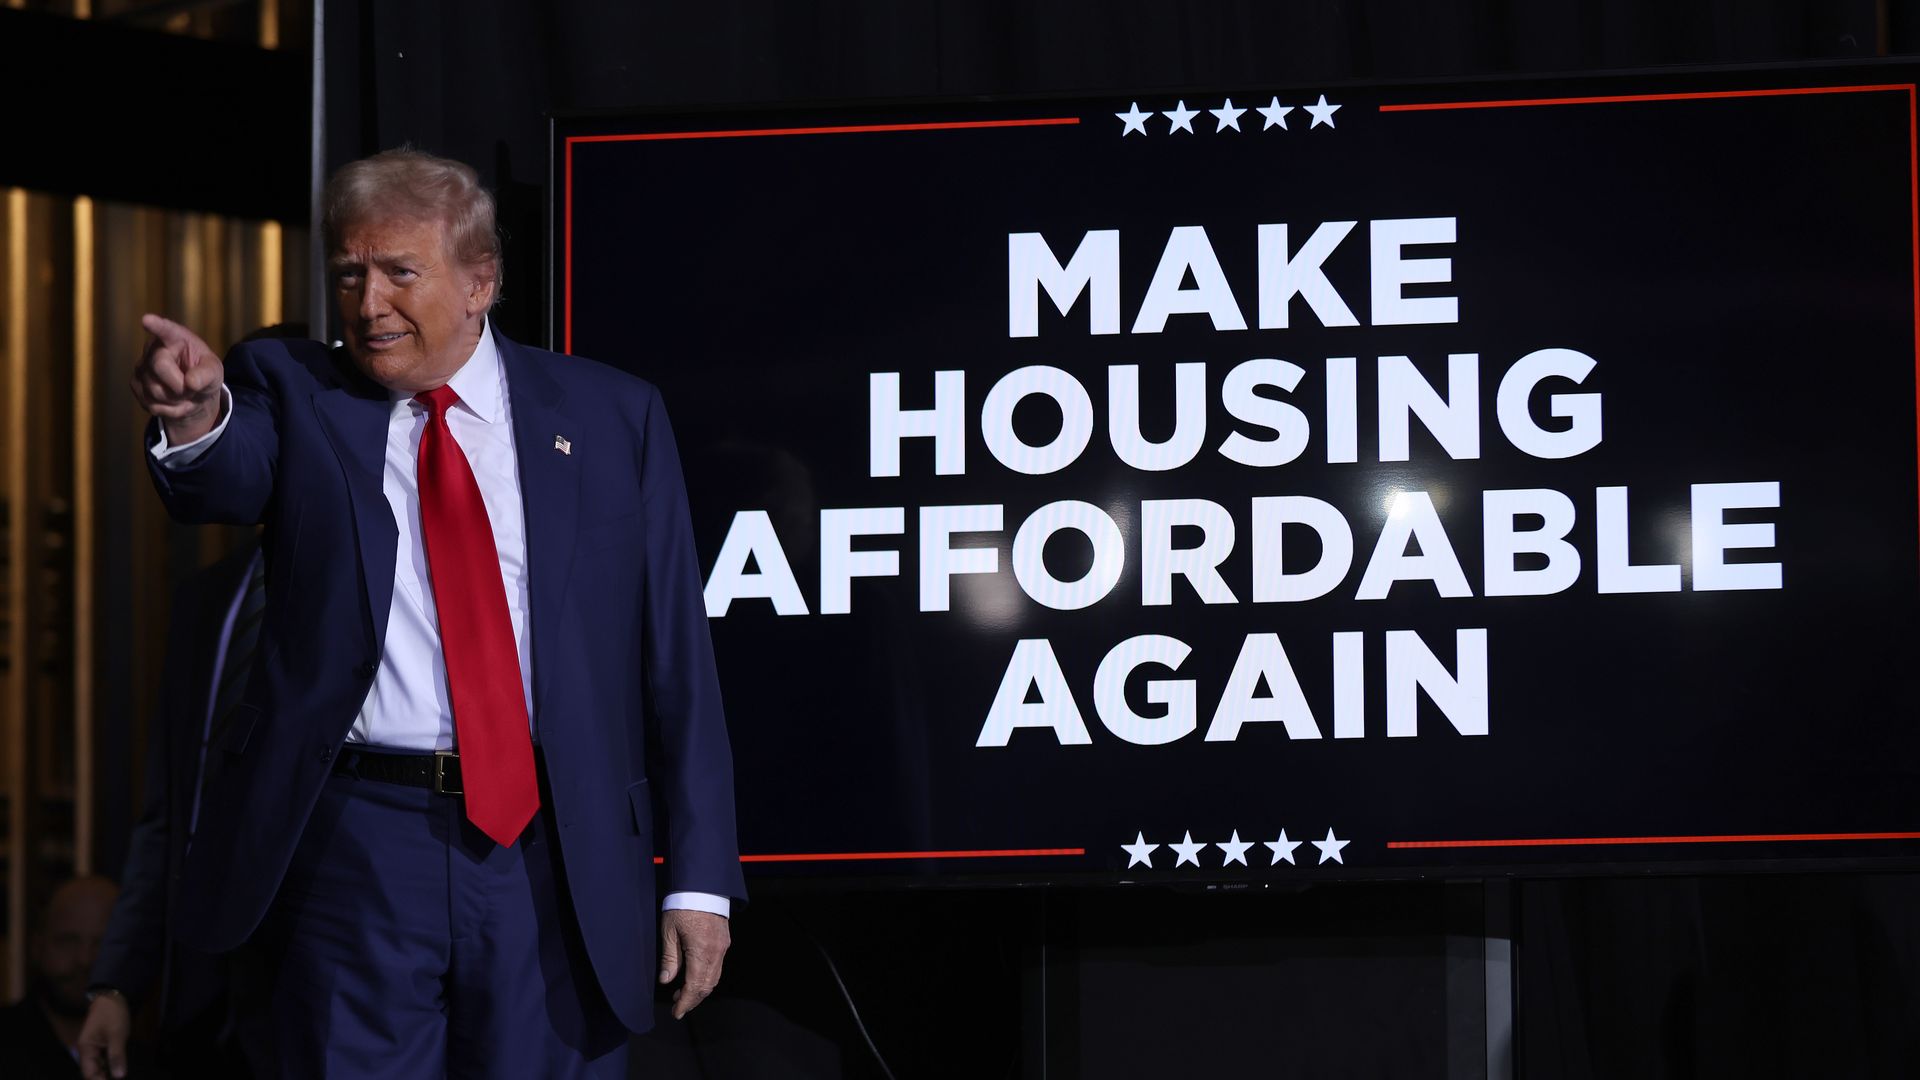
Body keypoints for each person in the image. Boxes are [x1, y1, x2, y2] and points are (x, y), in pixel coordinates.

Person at [123, 148, 746, 1078]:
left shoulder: (613, 416)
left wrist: (700, 881)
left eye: (399, 273)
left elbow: (677, 669)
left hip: (556, 850)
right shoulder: (297, 389)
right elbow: (228, 470)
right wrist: (195, 417)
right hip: (356, 846)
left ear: (480, 281)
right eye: (349, 274)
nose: (368, 303)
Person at [78, 541, 271, 1080]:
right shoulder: (208, 597)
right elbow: (167, 817)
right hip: (196, 988)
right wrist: (117, 985)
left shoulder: (368, 585)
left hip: (312, 978)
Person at [0, 876, 119, 1080]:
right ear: (37, 946)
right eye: (68, 941)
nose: (85, 959)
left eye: (102, 943)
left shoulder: (149, 1059)